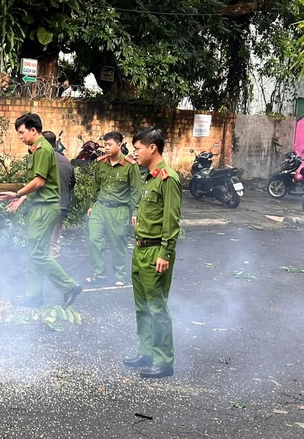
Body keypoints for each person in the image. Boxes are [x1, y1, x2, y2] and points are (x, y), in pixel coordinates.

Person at [0, 113, 82, 308]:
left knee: (37, 253)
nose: (20, 137)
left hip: (45, 208)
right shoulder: (38, 149)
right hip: (39, 206)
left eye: (22, 132)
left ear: (33, 130)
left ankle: (69, 287)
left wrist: (17, 194)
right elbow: (42, 183)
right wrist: (24, 198)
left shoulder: (43, 149)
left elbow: (39, 181)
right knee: (34, 251)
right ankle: (34, 296)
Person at [123, 127, 182, 379]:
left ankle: (164, 361)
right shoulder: (150, 177)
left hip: (157, 250)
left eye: (137, 148)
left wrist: (165, 254)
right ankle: (146, 352)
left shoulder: (168, 178)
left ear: (152, 148)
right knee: (142, 306)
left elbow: (172, 221)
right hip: (140, 249)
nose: (134, 153)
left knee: (157, 307)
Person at [86, 131, 141, 286]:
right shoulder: (101, 163)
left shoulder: (130, 166)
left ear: (119, 145)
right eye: (105, 145)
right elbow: (96, 186)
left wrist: (135, 212)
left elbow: (136, 191)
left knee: (118, 244)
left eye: (109, 145)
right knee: (94, 241)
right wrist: (92, 205)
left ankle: (119, 275)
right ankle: (99, 274)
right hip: (100, 208)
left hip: (119, 210)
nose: (106, 148)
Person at [42, 131, 76, 257]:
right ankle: (52, 266)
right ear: (55, 144)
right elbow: (72, 183)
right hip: (61, 205)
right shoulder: (66, 161)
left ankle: (41, 269)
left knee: (41, 239)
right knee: (53, 240)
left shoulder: (42, 160)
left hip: (44, 205)